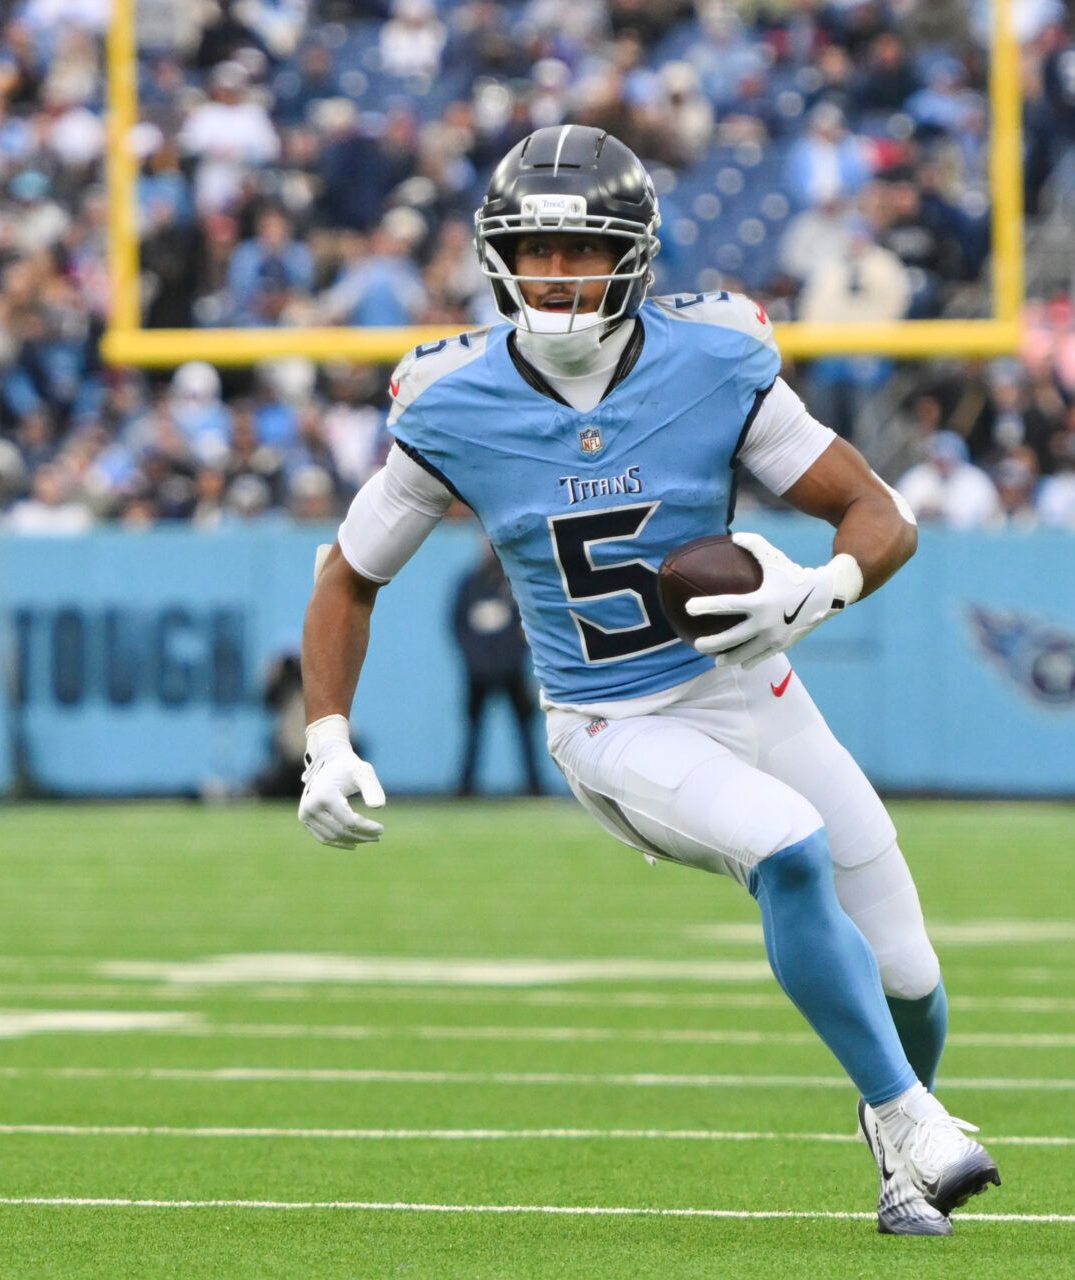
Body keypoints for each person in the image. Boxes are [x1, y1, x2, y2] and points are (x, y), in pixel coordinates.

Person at [295, 126, 997, 1237]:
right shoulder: (452, 398)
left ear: (634, 254)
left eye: (582, 248)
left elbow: (880, 513)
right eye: (535, 248)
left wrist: (817, 591)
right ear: (497, 256)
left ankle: (896, 1154)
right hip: (610, 718)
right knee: (788, 846)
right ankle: (910, 1117)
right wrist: (327, 738)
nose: (555, 273)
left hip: (749, 686)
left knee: (909, 969)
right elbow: (347, 576)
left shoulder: (713, 359)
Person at [450, 544, 544, 796]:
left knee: (524, 728)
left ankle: (534, 786)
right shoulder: (470, 584)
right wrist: (474, 659)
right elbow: (457, 626)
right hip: (478, 672)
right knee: (474, 729)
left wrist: (515, 655)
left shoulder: (514, 584)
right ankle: (466, 787)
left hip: (511, 670)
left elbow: (529, 623)